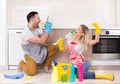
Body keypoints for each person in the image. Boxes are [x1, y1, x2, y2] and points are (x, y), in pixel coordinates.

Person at [19, 11, 59, 76]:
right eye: (38, 18)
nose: (40, 20)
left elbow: (46, 40)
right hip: (30, 54)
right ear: (32, 20)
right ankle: (21, 63)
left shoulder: (37, 28)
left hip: (39, 49)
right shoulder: (26, 33)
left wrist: (47, 30)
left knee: (55, 47)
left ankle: (46, 65)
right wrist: (47, 31)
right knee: (31, 72)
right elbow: (41, 41)